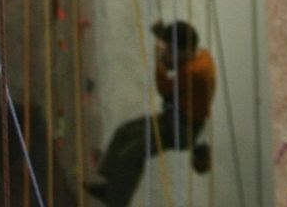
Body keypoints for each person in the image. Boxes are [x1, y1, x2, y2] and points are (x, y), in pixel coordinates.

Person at [83, 20, 216, 205]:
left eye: (172, 50)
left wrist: (159, 60)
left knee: (133, 152)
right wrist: (165, 39)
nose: (169, 53)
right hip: (176, 119)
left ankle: (116, 200)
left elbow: (164, 88)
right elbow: (177, 64)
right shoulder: (201, 57)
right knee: (124, 132)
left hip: (182, 129)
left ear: (184, 51)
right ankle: (110, 186)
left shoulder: (194, 71)